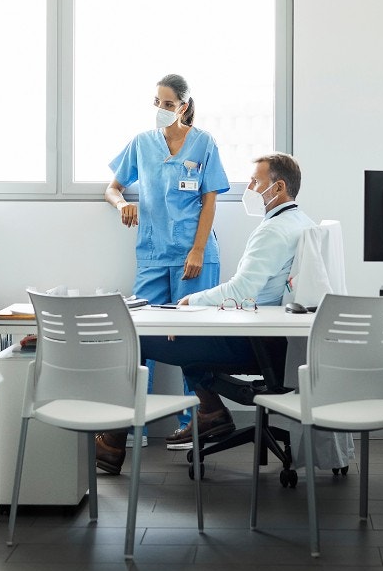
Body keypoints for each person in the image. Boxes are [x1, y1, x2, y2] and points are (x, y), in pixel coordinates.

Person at [95, 153, 314, 475]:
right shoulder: (301, 222)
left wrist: (189, 302)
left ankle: (112, 444)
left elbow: (242, 290)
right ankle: (211, 412)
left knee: (138, 340)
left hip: (255, 341)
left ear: (278, 187)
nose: (249, 188)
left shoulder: (273, 231)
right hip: (276, 339)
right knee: (186, 338)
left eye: (255, 182)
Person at [105, 73, 230, 443]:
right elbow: (112, 188)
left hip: (195, 254)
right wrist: (122, 204)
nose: (161, 109)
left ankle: (199, 420)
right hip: (153, 253)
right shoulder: (142, 143)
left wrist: (198, 249)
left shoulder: (203, 142)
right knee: (138, 334)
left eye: (169, 104)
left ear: (183, 106)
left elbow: (209, 200)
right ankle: (132, 426)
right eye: (157, 102)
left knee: (192, 338)